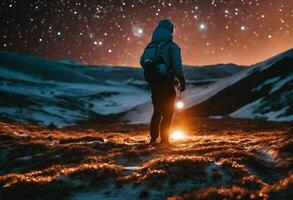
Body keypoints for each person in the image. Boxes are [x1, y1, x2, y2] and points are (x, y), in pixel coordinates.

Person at [141, 19, 185, 144]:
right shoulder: (171, 46)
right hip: (167, 82)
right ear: (170, 30)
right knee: (168, 111)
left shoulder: (150, 46)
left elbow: (142, 61)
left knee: (157, 111)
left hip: (155, 83)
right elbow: (177, 65)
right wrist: (181, 79)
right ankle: (164, 139)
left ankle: (153, 138)